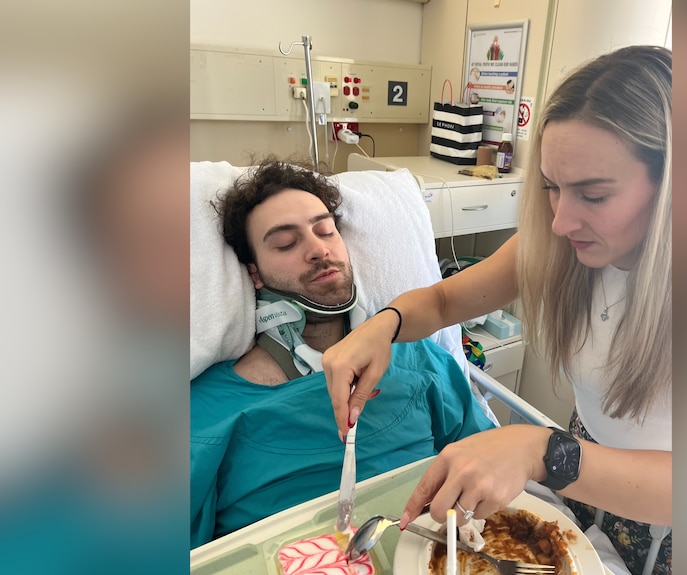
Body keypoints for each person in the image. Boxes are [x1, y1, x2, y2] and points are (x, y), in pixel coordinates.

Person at [323, 46, 672, 574]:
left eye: (594, 195)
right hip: (584, 485)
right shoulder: (563, 244)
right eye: (552, 188)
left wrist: (540, 451)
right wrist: (382, 326)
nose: (560, 222)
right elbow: (444, 299)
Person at [190, 156, 496, 548]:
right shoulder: (207, 414)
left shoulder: (421, 360)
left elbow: (490, 473)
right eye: (285, 243)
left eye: (326, 231)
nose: (318, 249)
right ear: (255, 273)